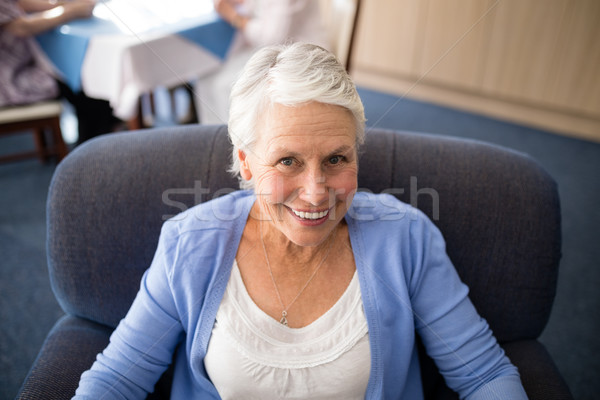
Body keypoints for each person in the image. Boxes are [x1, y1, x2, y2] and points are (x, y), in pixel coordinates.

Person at [73, 43, 528, 399]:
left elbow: (483, 373)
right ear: (247, 163)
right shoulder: (188, 245)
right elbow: (117, 381)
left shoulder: (405, 238)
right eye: (287, 160)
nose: (316, 192)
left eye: (336, 158)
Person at [0, 0, 121, 145]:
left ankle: (97, 144)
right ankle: (92, 152)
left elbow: (20, 3)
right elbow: (21, 27)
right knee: (85, 88)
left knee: (82, 81)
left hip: (20, 66)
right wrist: (70, 12)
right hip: (8, 81)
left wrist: (63, 4)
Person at [194, 0, 328, 124]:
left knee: (222, 84)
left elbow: (270, 39)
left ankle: (233, 140)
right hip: (275, 51)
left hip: (301, 56)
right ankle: (215, 138)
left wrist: (234, 16)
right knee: (206, 75)